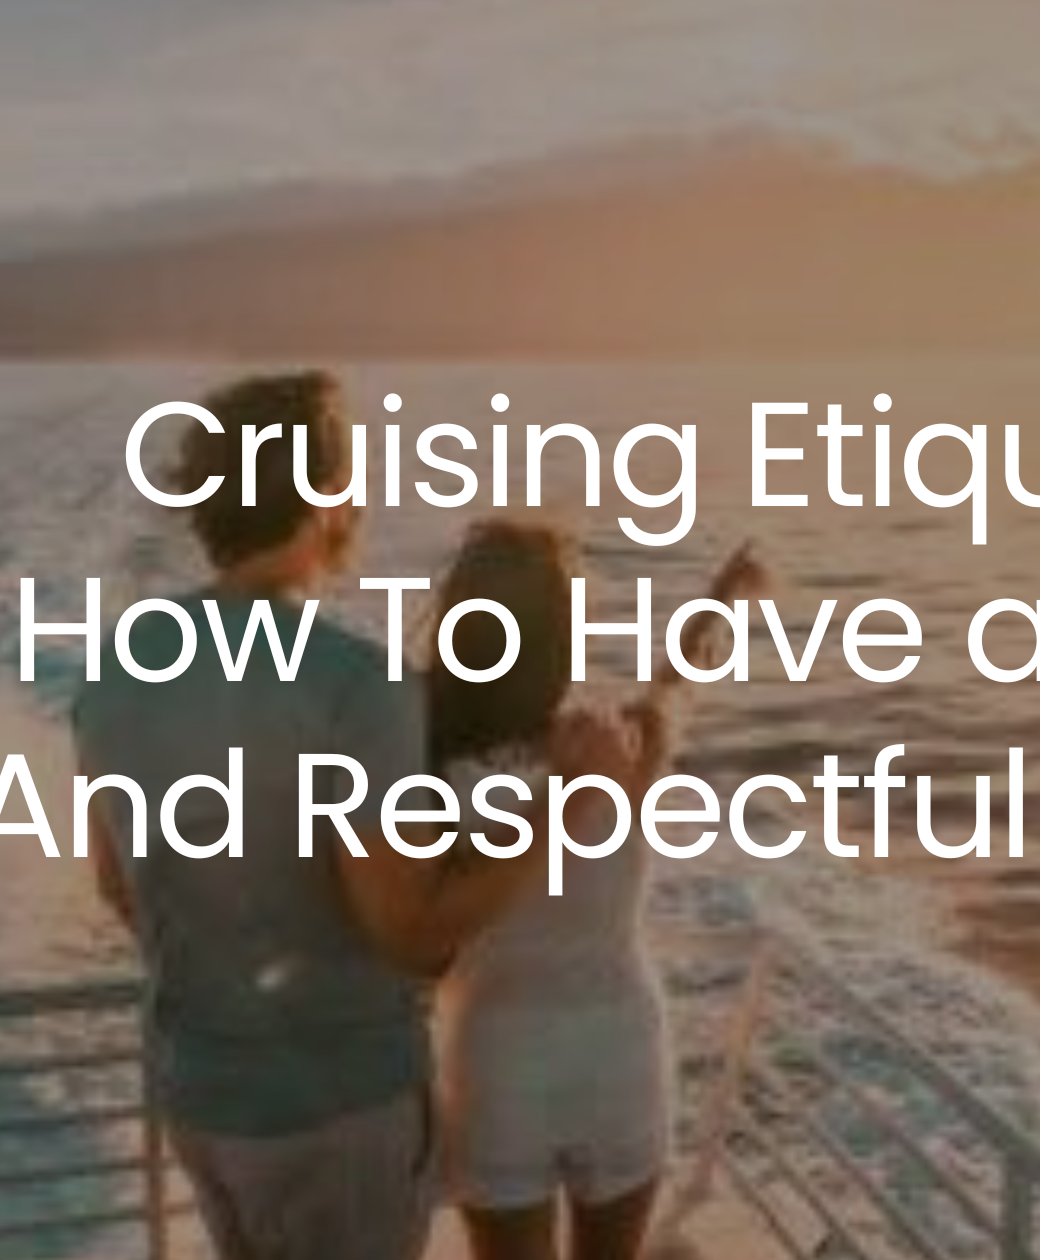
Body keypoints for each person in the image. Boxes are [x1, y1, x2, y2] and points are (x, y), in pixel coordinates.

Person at [73, 371, 538, 1260]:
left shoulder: (114, 666)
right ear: (325, 498)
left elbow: (115, 883)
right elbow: (409, 933)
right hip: (339, 1116)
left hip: (197, 1096)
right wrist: (561, 813)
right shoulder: (360, 684)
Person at [428, 520, 760, 1260]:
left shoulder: (431, 770)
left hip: (496, 1062)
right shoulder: (621, 743)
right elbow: (678, 681)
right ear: (564, 638)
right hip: (618, 1052)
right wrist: (723, 599)